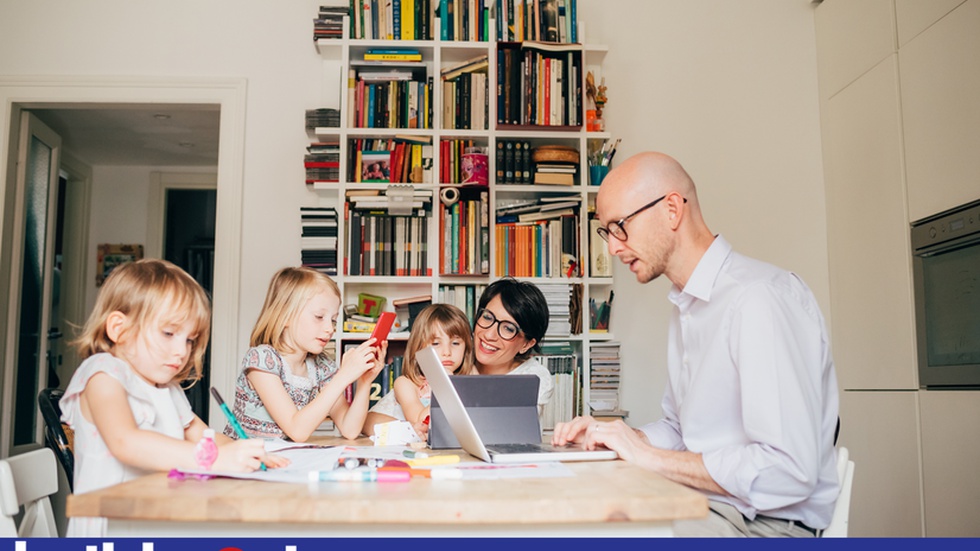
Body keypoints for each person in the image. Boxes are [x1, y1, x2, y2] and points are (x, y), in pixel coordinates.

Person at [552, 152, 840, 537]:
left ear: (672, 209)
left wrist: (649, 458)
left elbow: (788, 471)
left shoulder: (759, 299)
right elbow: (680, 429)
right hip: (707, 504)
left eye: (620, 226)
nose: (614, 248)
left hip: (766, 525)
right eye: (607, 232)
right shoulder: (688, 304)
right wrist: (622, 438)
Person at [60, 259, 284, 537]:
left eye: (190, 340)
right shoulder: (103, 374)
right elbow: (126, 442)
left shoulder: (166, 387)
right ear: (119, 328)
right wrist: (215, 460)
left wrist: (250, 450)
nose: (182, 351)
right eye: (169, 333)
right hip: (111, 526)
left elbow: (202, 434)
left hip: (155, 519)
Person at [227, 266, 386, 442]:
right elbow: (297, 430)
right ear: (285, 316)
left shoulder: (321, 367)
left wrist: (364, 382)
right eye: (319, 317)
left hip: (281, 460)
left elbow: (350, 429)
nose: (330, 328)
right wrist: (343, 376)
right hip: (244, 461)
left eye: (333, 320)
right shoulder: (262, 360)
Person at [362, 303, 477, 439]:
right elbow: (422, 423)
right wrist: (445, 383)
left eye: (455, 343)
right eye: (436, 343)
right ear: (419, 347)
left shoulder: (470, 378)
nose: (447, 352)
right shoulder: (406, 383)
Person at [473, 278, 553, 415]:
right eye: (487, 317)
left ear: (527, 344)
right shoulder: (454, 355)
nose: (489, 335)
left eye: (508, 329)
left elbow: (498, 427)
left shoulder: (533, 379)